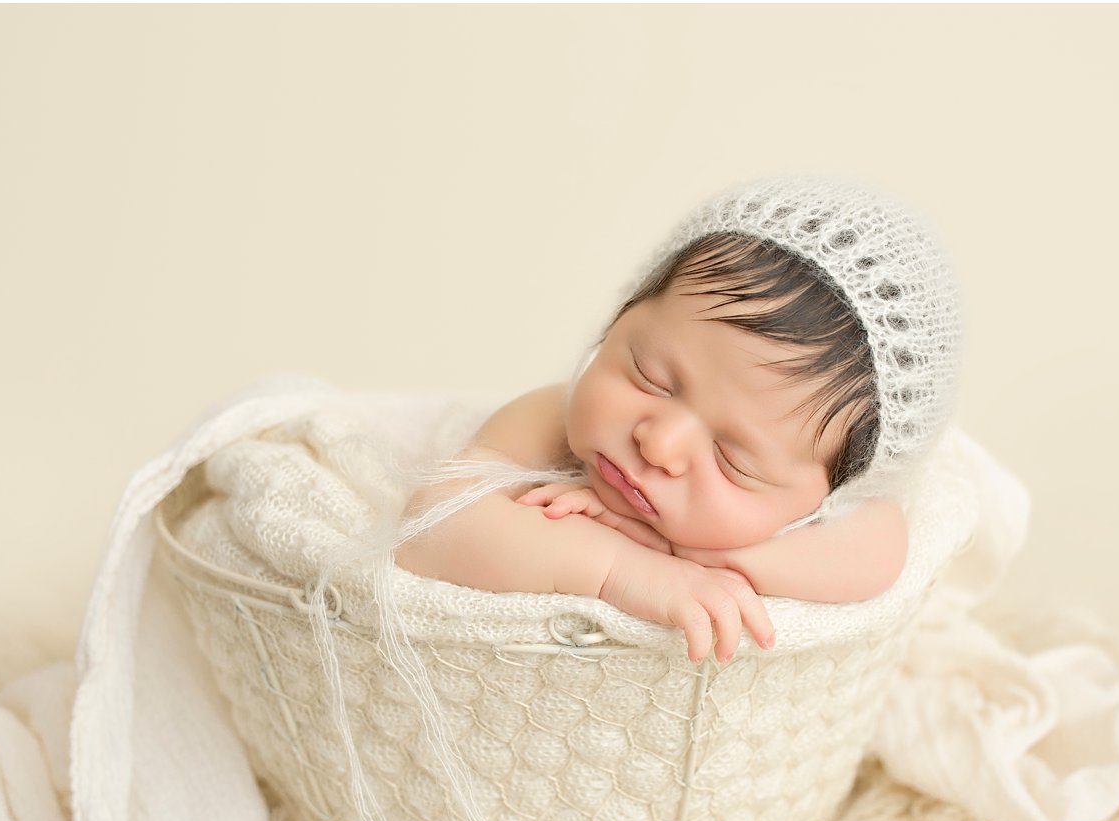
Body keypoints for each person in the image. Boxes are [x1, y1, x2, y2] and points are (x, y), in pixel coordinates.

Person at [396, 176, 961, 666]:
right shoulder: (551, 417)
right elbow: (431, 523)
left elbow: (881, 550)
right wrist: (624, 569)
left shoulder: (835, 515)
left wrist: (698, 554)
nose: (659, 444)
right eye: (650, 376)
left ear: (826, 499)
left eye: (733, 459)